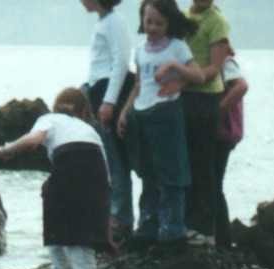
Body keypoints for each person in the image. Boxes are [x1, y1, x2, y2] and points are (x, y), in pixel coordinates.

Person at [0, 88, 111, 269]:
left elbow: (34, 140)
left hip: (69, 164)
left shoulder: (50, 119)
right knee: (72, 231)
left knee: (67, 236)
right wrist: (106, 228)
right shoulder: (90, 130)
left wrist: (8, 149)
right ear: (83, 112)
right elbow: (101, 173)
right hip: (95, 172)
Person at [117, 0, 205, 249]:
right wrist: (125, 111)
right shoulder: (141, 50)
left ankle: (172, 230)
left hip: (166, 114)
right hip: (142, 114)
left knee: (172, 175)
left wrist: (173, 67)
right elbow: (138, 85)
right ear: (142, 21)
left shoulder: (177, 48)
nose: (153, 27)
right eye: (148, 21)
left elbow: (197, 76)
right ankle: (147, 227)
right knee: (148, 174)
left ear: (169, 23)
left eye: (159, 23)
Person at [79, 0, 137, 243]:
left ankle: (121, 219)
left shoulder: (115, 22)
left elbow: (121, 62)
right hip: (98, 90)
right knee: (107, 158)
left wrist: (109, 101)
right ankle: (114, 215)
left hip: (109, 92)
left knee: (116, 158)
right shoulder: (104, 22)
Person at [179, 0, 230, 240]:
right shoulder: (181, 17)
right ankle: (186, 223)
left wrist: (185, 80)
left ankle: (206, 229)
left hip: (206, 99)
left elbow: (214, 67)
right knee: (184, 164)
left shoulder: (217, 22)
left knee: (203, 166)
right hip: (183, 98)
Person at [215, 44, 247, 247]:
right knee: (213, 184)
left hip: (222, 134)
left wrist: (218, 110)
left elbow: (241, 86)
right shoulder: (215, 62)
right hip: (219, 134)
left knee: (214, 184)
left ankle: (223, 239)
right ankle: (221, 237)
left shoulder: (225, 63)